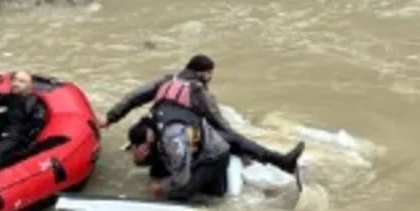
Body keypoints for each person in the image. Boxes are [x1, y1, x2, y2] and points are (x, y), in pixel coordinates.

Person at [101, 54, 303, 173]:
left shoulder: (166, 80)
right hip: (177, 144)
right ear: (203, 73)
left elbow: (133, 97)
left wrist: (110, 117)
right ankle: (280, 161)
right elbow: (220, 124)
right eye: (210, 74)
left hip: (156, 139)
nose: (210, 78)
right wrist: (241, 151)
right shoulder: (198, 91)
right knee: (230, 138)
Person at [124, 113, 236, 202]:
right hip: (195, 151)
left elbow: (182, 178)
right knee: (157, 173)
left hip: (213, 155)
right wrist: (138, 160)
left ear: (146, 144)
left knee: (181, 195)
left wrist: (161, 186)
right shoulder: (154, 128)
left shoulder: (172, 140)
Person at [0, 71, 47, 173]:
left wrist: (21, 133)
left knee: (14, 136)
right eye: (15, 80)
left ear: (30, 87)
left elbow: (36, 124)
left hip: (16, 135)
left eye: (21, 81)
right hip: (1, 130)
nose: (16, 83)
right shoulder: (8, 97)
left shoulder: (34, 103)